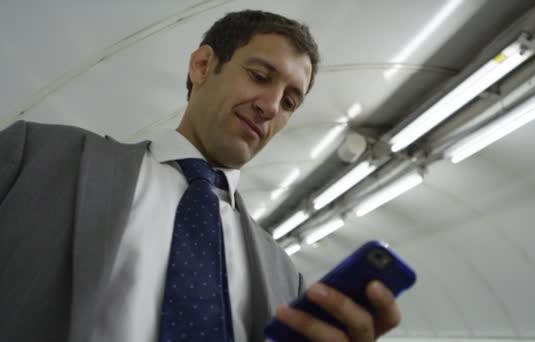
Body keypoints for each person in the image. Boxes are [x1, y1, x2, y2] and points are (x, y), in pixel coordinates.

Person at [0, 9, 401, 342]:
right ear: (203, 65)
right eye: (260, 76)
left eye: (290, 101)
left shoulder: (286, 278)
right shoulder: (36, 155)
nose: (271, 105)